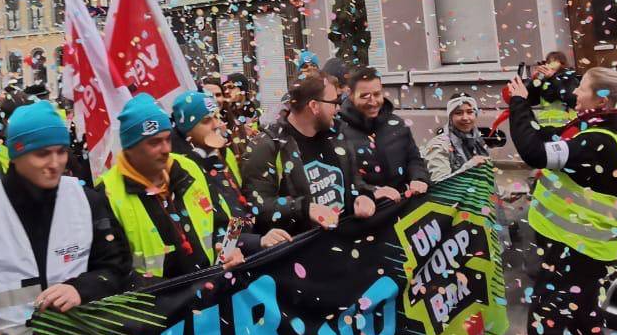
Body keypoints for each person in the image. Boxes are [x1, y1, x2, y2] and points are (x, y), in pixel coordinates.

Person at [0, 100, 132, 335]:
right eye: (42, 154)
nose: (55, 163)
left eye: (61, 151)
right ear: (16, 155)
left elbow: (116, 266)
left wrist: (81, 289)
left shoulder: (87, 200)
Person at [506, 67, 617, 335]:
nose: (574, 93)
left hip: (577, 251)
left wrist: (519, 103)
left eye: (582, 88)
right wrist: (533, 91)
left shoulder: (598, 139)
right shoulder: (608, 125)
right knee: (585, 325)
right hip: (585, 250)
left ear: (602, 101)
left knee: (543, 331)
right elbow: (549, 136)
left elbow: (536, 152)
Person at [99, 94, 284, 282]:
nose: (165, 149)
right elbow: (115, 273)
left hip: (212, 290)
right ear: (130, 147)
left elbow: (222, 222)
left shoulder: (189, 168)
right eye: (154, 142)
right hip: (164, 297)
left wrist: (237, 248)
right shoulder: (107, 193)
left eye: (167, 139)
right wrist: (184, 292)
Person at [242, 71, 387, 234]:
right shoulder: (268, 146)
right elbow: (257, 207)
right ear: (314, 106)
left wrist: (365, 196)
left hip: (343, 240)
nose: (338, 108)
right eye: (334, 102)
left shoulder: (337, 134)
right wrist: (304, 208)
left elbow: (354, 182)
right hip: (303, 246)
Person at [337, 67, 430, 196]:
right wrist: (373, 192)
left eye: (377, 94)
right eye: (364, 96)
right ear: (350, 94)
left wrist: (418, 178)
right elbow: (343, 179)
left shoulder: (397, 124)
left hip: (405, 200)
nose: (373, 102)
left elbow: (414, 159)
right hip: (367, 205)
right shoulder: (338, 132)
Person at [170, 90, 246, 213]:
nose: (216, 125)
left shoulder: (222, 153)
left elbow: (236, 204)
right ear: (187, 130)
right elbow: (215, 220)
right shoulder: (183, 173)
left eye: (216, 116)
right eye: (206, 121)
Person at [422, 94, 506, 178]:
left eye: (469, 112)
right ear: (450, 117)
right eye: (458, 113)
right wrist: (469, 167)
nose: (465, 118)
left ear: (475, 115)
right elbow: (440, 183)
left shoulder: (478, 142)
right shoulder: (439, 145)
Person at [526, 51, 579, 127]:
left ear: (562, 64)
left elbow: (571, 99)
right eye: (548, 62)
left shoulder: (569, 79)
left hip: (566, 125)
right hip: (545, 125)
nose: (549, 65)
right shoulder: (545, 80)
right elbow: (530, 100)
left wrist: (552, 78)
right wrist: (534, 81)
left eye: (553, 61)